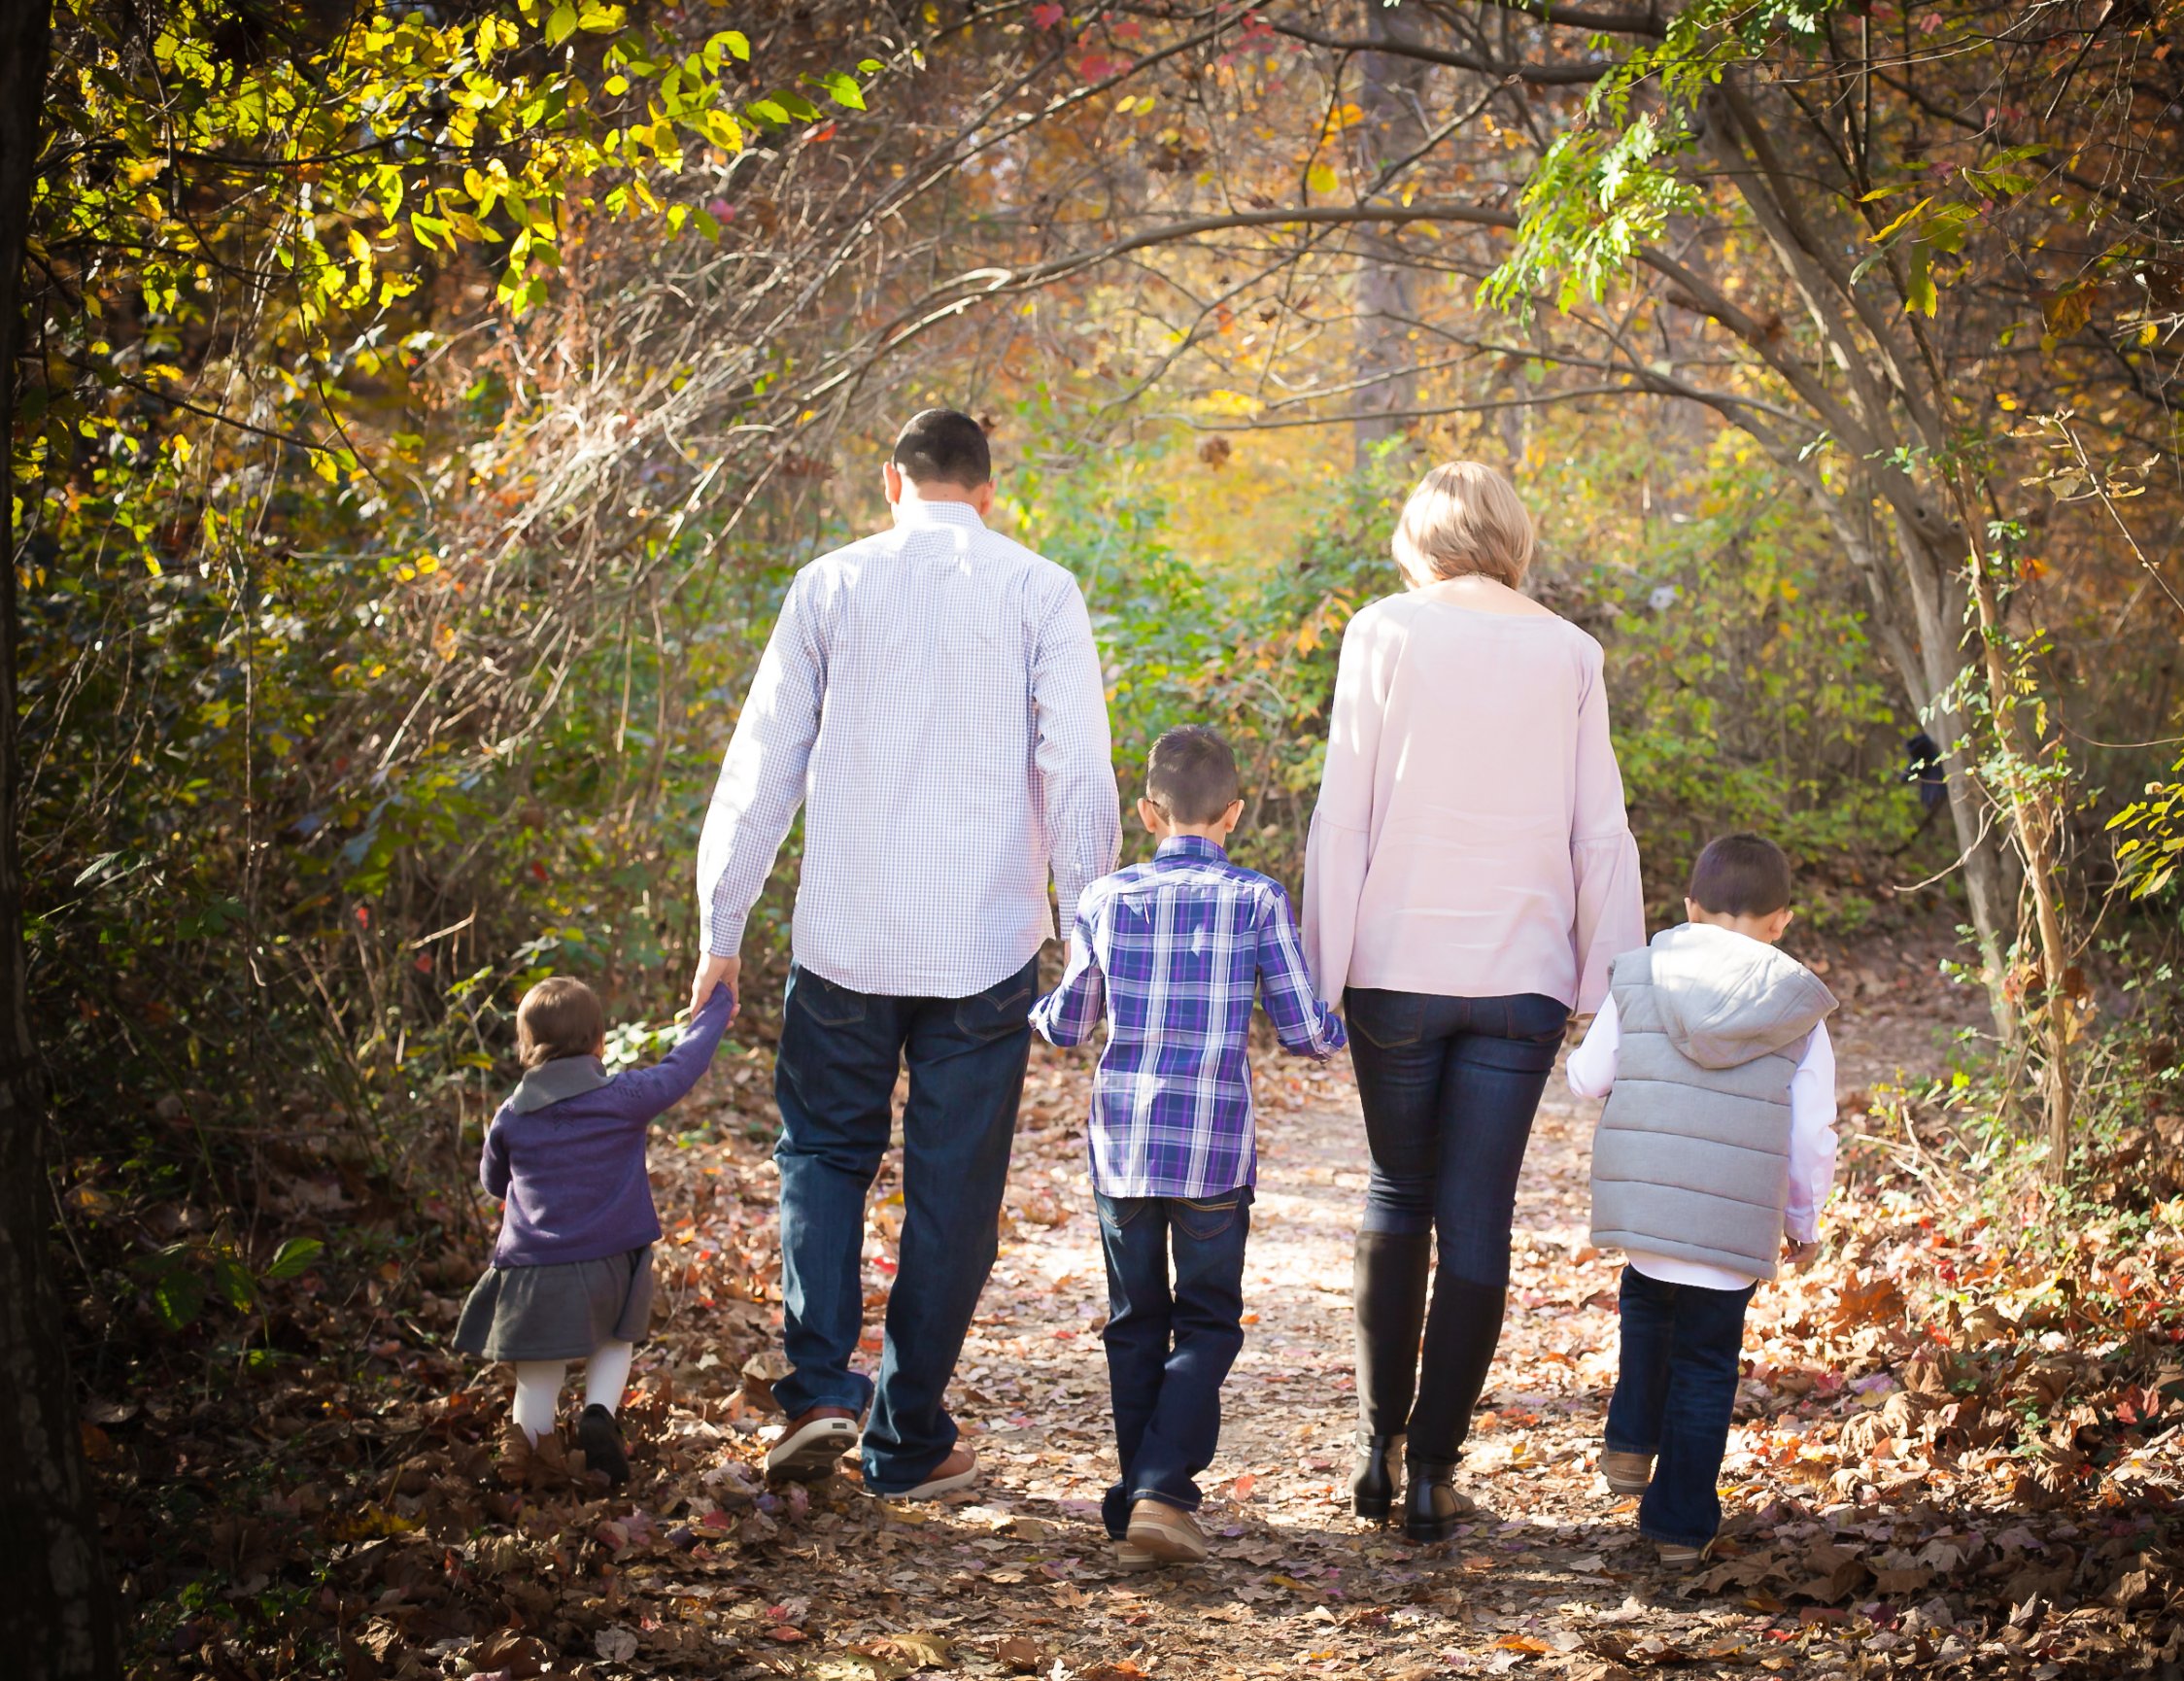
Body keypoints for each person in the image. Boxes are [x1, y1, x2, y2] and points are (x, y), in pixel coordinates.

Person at [690, 409, 1120, 1496]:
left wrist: (720, 927)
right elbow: (1077, 771)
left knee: (823, 1157)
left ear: (895, 481)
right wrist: (1088, 938)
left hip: (845, 936)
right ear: (988, 488)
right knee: (953, 1195)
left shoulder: (829, 585)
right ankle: (906, 1432)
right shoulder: (1039, 589)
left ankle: (821, 1390)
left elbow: (762, 764)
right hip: (985, 947)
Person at [1303, 461, 1646, 1542]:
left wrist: (1319, 975)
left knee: (1397, 1190)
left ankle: (1376, 1444)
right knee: (1478, 1217)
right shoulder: (1570, 653)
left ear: (1420, 536)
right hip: (1522, 975)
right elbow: (1602, 827)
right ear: (1512, 535)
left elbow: (1343, 815)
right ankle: (1434, 1469)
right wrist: (1609, 983)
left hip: (1395, 967)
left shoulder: (1382, 631)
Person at [1031, 726, 1346, 1568]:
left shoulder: (1104, 899)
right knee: (1206, 1321)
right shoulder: (1257, 900)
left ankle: (1139, 1494)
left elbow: (1066, 1023)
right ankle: (1162, 1489)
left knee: (1135, 1322)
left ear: (1146, 812)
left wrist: (1033, 999)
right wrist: (1344, 1022)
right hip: (1211, 1148)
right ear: (1234, 813)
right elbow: (1305, 1033)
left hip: (1124, 1147)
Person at [1568, 833, 1839, 1568]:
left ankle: (1627, 1447)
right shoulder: (1798, 1008)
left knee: (1646, 1322)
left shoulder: (1640, 975)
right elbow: (1812, 1131)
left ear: (1688, 907)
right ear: (1781, 920)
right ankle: (1679, 1525)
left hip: (1649, 1212)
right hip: (1728, 1223)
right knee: (1704, 1368)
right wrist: (1801, 1221)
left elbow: (1589, 1078)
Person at [456, 976, 734, 1490]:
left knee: (539, 1372)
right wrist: (717, 1006)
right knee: (613, 1339)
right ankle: (598, 1413)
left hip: (532, 1274)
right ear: (598, 1042)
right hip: (611, 1263)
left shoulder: (511, 1116)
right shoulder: (624, 1096)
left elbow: (493, 1182)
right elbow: (682, 1066)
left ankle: (530, 1463)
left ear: (525, 1045)